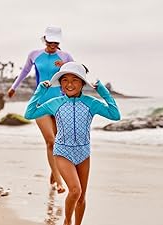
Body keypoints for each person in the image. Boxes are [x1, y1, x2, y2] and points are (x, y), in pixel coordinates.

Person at [24, 61, 121, 225]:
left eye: (75, 80)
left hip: (84, 153)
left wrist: (104, 92)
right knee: (75, 191)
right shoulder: (55, 103)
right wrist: (40, 92)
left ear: (82, 83)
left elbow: (115, 114)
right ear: (60, 83)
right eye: (65, 80)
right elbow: (29, 113)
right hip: (62, 152)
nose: (69, 84)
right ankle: (67, 221)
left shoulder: (91, 103)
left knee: (82, 196)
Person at [7, 26, 74, 193]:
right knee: (51, 142)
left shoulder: (65, 56)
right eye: (50, 42)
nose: (52, 45)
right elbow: (24, 72)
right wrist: (14, 87)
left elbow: (76, 76)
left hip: (60, 103)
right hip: (40, 102)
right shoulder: (34, 54)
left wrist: (66, 66)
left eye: (55, 42)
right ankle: (59, 182)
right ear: (45, 39)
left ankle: (54, 171)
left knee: (60, 142)